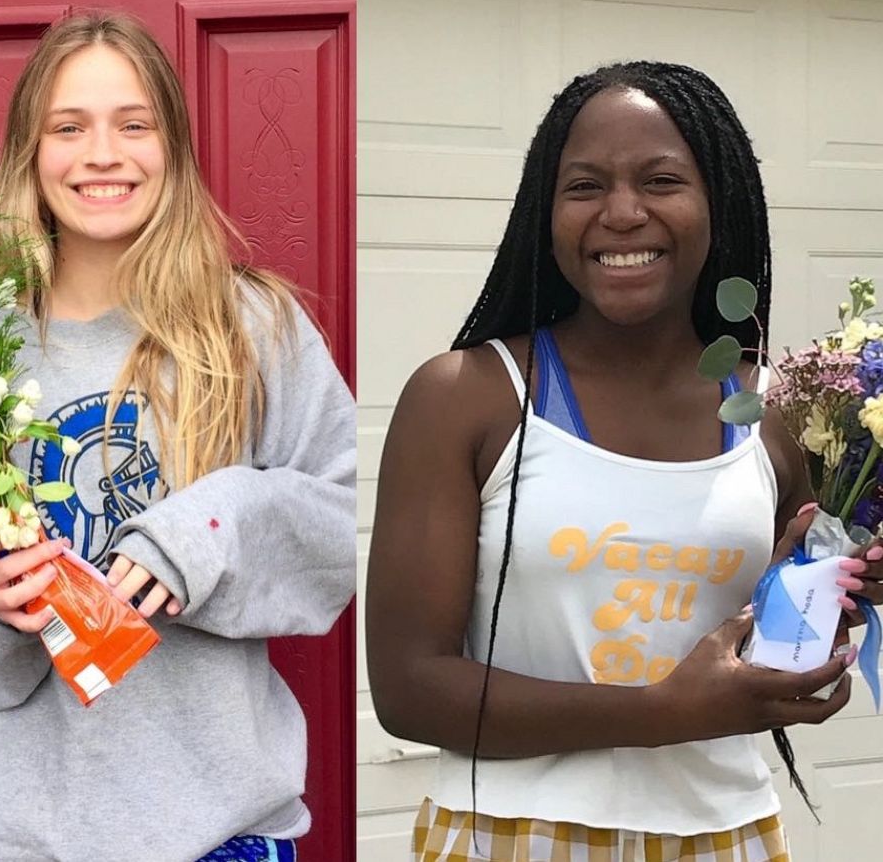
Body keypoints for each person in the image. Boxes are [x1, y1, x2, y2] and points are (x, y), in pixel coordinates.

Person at [0, 11, 357, 862]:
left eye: (134, 124)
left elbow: (345, 526)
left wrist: (204, 530)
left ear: (173, 147)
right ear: (30, 151)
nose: (103, 154)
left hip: (220, 835)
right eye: (70, 127)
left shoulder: (255, 327)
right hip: (8, 840)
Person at [364, 61, 873, 861]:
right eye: (585, 186)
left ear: (720, 202)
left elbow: (783, 629)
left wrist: (841, 599)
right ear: (547, 211)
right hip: (511, 836)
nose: (623, 213)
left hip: (726, 834)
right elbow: (408, 690)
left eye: (662, 180)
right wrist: (668, 709)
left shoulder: (779, 413)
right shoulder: (467, 397)